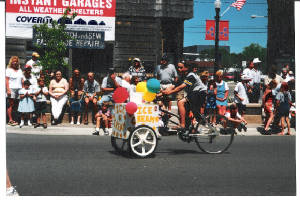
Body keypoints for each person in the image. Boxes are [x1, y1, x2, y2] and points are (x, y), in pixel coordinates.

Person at [162, 63, 207, 135]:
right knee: (187, 109)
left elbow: (181, 87)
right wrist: (163, 93)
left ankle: (182, 125)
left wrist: (170, 92)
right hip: (194, 93)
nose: (178, 69)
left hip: (199, 93)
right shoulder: (183, 76)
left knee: (181, 102)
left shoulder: (191, 75)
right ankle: (189, 127)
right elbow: (174, 85)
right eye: (178, 68)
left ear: (186, 68)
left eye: (181, 67)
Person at [6, 56, 23, 126]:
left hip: (19, 89)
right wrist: (8, 89)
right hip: (12, 88)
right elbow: (6, 80)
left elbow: (22, 80)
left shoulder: (20, 70)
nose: (15, 62)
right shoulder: (8, 70)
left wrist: (23, 88)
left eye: (16, 61)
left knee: (16, 105)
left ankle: (15, 119)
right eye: (14, 61)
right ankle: (10, 120)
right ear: (11, 62)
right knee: (11, 104)